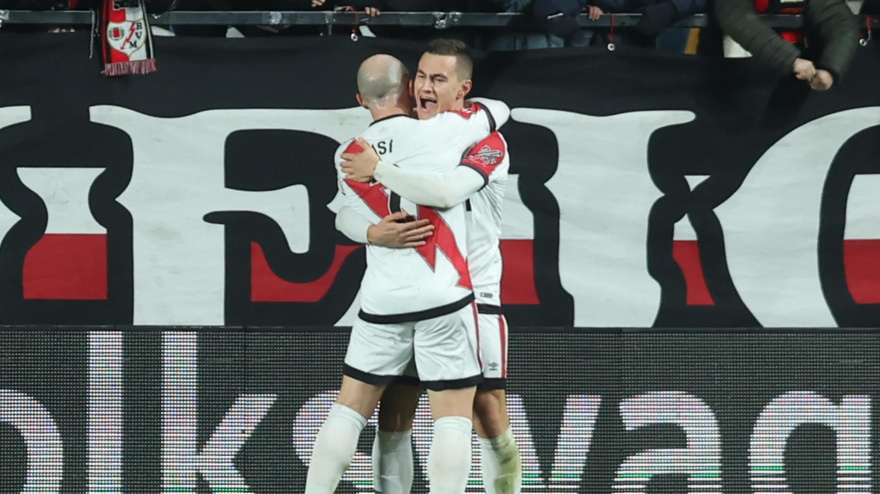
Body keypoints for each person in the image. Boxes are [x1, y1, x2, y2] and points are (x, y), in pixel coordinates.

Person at [305, 53, 508, 494]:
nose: (427, 87)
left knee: (350, 410)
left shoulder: (349, 152)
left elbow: (341, 215)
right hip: (445, 294)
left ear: (360, 99)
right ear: (407, 89)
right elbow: (499, 111)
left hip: (380, 301)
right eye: (420, 78)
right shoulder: (442, 132)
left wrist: (372, 231)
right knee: (452, 418)